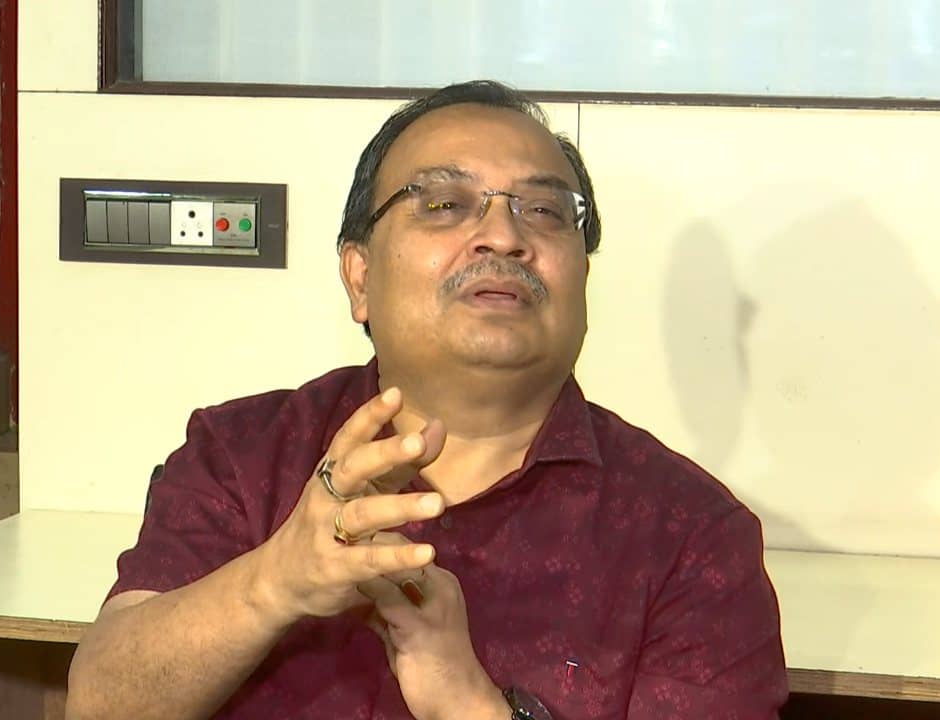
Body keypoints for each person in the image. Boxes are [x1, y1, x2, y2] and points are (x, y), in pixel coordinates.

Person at [65, 80, 787, 720]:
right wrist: (273, 582)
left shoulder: (691, 537)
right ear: (359, 278)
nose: (503, 236)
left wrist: (467, 703)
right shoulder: (243, 454)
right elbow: (99, 706)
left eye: (544, 210)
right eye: (444, 204)